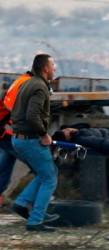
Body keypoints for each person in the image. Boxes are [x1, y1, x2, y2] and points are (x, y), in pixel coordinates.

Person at [11, 54, 58, 232]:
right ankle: (35, 221)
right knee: (50, 178)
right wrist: (44, 134)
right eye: (53, 65)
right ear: (45, 68)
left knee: (45, 172)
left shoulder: (27, 82)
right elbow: (32, 116)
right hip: (30, 140)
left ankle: (22, 203)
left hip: (18, 139)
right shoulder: (40, 87)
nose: (54, 69)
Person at [0, 72, 33, 206]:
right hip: (5, 134)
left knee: (5, 165)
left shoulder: (22, 82)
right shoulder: (27, 85)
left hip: (4, 134)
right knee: (39, 166)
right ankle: (26, 203)